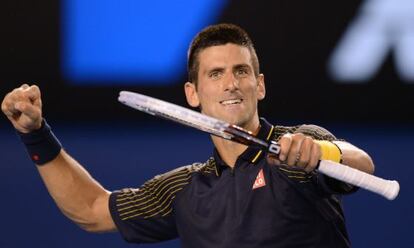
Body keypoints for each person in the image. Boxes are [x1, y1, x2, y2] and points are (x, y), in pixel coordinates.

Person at [1, 23, 374, 247]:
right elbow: (90, 210)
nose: (231, 84)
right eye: (215, 74)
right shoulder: (184, 190)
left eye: (241, 71)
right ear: (192, 94)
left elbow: (360, 163)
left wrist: (322, 152)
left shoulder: (296, 148)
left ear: (259, 86)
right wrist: (35, 135)